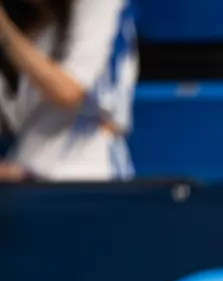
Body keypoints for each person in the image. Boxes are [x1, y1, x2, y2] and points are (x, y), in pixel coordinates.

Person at [0, 0, 138, 181]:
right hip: (28, 180)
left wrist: (5, 31)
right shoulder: (38, 29)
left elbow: (71, 91)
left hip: (87, 180)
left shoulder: (102, 5)